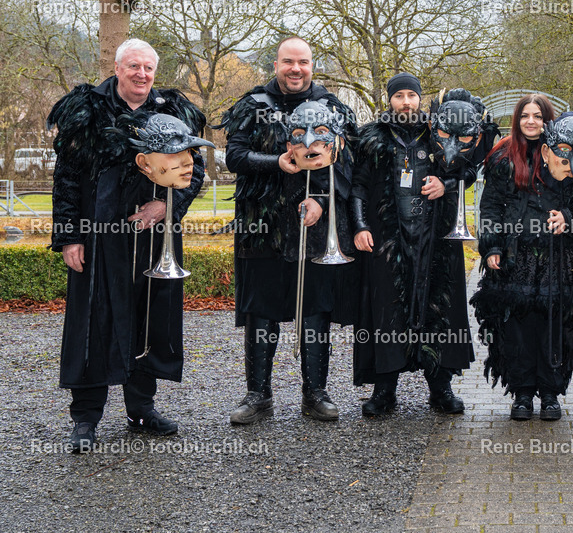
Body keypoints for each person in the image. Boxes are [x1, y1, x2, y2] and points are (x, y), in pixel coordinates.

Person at [48, 38, 207, 453]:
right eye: (133, 66)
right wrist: (69, 236)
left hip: (155, 238)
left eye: (148, 68)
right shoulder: (86, 108)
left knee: (148, 318)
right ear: (117, 68)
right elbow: (66, 177)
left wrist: (166, 207)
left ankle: (141, 409)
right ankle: (85, 418)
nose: (141, 74)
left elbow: (195, 171)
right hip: (98, 238)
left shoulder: (173, 110)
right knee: (92, 323)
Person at [220, 36, 358, 425]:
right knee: (260, 313)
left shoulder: (332, 108)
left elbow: (347, 165)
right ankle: (258, 396)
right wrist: (276, 162)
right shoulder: (252, 105)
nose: (295, 69)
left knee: (315, 311)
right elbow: (235, 156)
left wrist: (323, 201)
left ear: (312, 65)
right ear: (276, 64)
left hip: (313, 228)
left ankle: (315, 393)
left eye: (303, 62)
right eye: (288, 62)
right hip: (261, 226)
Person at [352, 77, 494, 416]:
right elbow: (358, 184)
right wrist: (359, 225)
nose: (405, 102)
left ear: (420, 99)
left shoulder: (439, 131)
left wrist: (445, 183)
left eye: (411, 95)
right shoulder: (372, 137)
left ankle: (440, 386)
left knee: (439, 309)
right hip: (388, 240)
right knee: (386, 311)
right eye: (398, 96)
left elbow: (470, 169)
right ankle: (384, 389)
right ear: (390, 100)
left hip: (437, 237)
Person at [472, 101, 573, 421]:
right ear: (516, 119)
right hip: (513, 255)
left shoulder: (566, 151)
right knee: (517, 327)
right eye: (525, 115)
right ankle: (521, 393)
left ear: (548, 121)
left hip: (556, 255)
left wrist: (566, 217)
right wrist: (491, 247)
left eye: (538, 116)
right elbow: (490, 206)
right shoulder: (501, 156)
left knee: (555, 323)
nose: (531, 121)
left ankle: (550, 393)